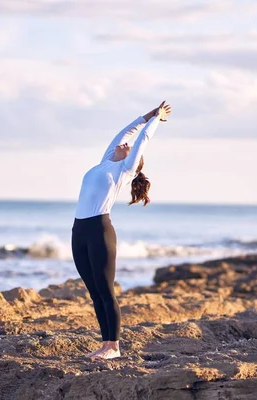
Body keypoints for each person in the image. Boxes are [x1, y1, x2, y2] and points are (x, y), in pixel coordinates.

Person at [71, 101, 173, 360]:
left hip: (99, 230)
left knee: (106, 290)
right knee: (94, 292)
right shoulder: (105, 162)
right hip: (79, 230)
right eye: (125, 147)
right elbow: (126, 132)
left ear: (132, 160)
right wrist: (145, 115)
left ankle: (114, 347)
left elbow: (141, 140)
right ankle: (104, 344)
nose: (125, 145)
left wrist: (155, 120)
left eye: (128, 149)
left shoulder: (123, 170)